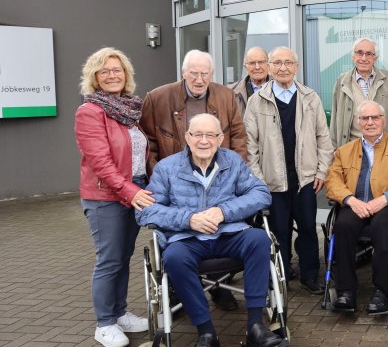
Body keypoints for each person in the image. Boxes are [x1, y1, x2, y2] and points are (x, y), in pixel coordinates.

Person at [135, 113, 284, 347]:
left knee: (258, 239)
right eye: (197, 135)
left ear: (220, 138)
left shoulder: (232, 161)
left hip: (229, 233)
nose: (204, 141)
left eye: (210, 135)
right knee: (173, 257)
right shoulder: (167, 168)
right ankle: (206, 332)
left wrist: (223, 212)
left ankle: (256, 326)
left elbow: (261, 193)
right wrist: (189, 219)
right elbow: (145, 211)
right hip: (187, 239)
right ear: (187, 137)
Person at [140, 49, 247, 311]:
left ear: (212, 74)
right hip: (178, 185)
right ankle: (178, 290)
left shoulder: (225, 96)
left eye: (205, 74)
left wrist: (235, 172)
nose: (199, 79)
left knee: (220, 229)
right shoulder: (158, 98)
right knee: (182, 236)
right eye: (194, 73)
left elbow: (238, 136)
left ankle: (219, 286)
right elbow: (148, 144)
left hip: (218, 179)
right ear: (184, 73)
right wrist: (162, 178)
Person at [75, 47, 153, 347]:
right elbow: (101, 162)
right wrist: (129, 191)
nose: (112, 75)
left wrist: (141, 186)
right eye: (104, 70)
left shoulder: (129, 109)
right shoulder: (90, 111)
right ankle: (104, 323)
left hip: (134, 189)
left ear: (126, 75)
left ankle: (119, 313)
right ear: (94, 76)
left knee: (123, 257)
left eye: (117, 70)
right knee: (109, 260)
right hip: (106, 196)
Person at [244, 46, 334, 294]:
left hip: (304, 178)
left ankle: (309, 276)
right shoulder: (256, 101)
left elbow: (324, 139)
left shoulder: (310, 98)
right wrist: (258, 181)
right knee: (278, 231)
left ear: (296, 67)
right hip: (272, 180)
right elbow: (250, 146)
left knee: (307, 229)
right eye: (277, 63)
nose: (283, 67)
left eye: (288, 63)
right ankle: (279, 276)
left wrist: (321, 172)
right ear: (269, 67)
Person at [324, 101, 388, 312]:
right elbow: (333, 182)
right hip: (356, 204)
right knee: (342, 227)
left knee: (383, 227)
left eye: (375, 117)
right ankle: (346, 291)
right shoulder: (344, 151)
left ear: (384, 121)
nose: (370, 122)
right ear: (358, 122)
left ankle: (381, 292)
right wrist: (350, 200)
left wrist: (386, 198)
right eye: (365, 118)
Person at [330, 37, 388, 147]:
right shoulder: (342, 81)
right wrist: (335, 148)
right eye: (359, 53)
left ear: (375, 58)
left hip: (387, 148)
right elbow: (335, 118)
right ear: (353, 56)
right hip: (354, 148)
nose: (364, 58)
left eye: (369, 54)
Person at [231, 46, 270, 113]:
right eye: (252, 63)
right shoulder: (231, 92)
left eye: (261, 62)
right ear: (245, 67)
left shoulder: (279, 89)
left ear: (268, 65)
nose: (257, 67)